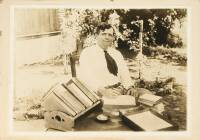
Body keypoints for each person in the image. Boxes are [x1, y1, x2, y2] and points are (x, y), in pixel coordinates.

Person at [78, 22, 139, 99]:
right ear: (96, 36)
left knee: (145, 97)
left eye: (110, 35)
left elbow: (124, 72)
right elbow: (85, 77)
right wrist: (102, 91)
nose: (107, 37)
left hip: (120, 89)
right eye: (103, 34)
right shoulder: (88, 53)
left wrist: (130, 87)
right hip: (100, 92)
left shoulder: (116, 53)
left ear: (113, 38)